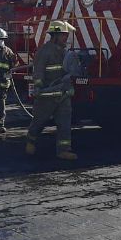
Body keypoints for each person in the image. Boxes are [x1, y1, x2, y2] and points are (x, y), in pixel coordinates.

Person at [26, 20, 78, 160]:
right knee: (39, 121)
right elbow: (38, 71)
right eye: (63, 35)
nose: (65, 38)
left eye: (66, 36)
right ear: (54, 35)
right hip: (47, 96)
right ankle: (31, 140)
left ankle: (63, 150)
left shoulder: (66, 52)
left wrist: (70, 87)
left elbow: (68, 73)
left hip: (63, 95)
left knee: (65, 123)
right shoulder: (44, 51)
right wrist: (38, 86)